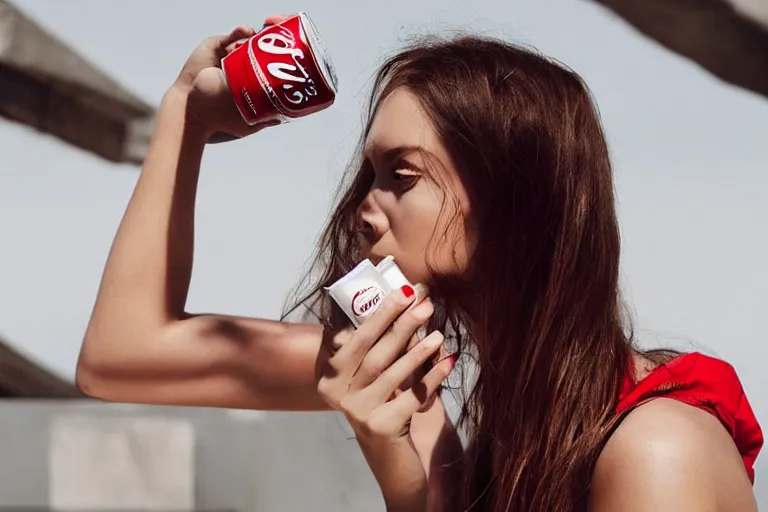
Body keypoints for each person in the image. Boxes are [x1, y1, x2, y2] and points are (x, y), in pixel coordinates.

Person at [76, 15, 762, 512]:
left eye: (400, 176)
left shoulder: (655, 452)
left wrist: (404, 478)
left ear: (508, 198)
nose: (362, 210)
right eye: (370, 173)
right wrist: (184, 120)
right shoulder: (422, 394)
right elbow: (120, 359)